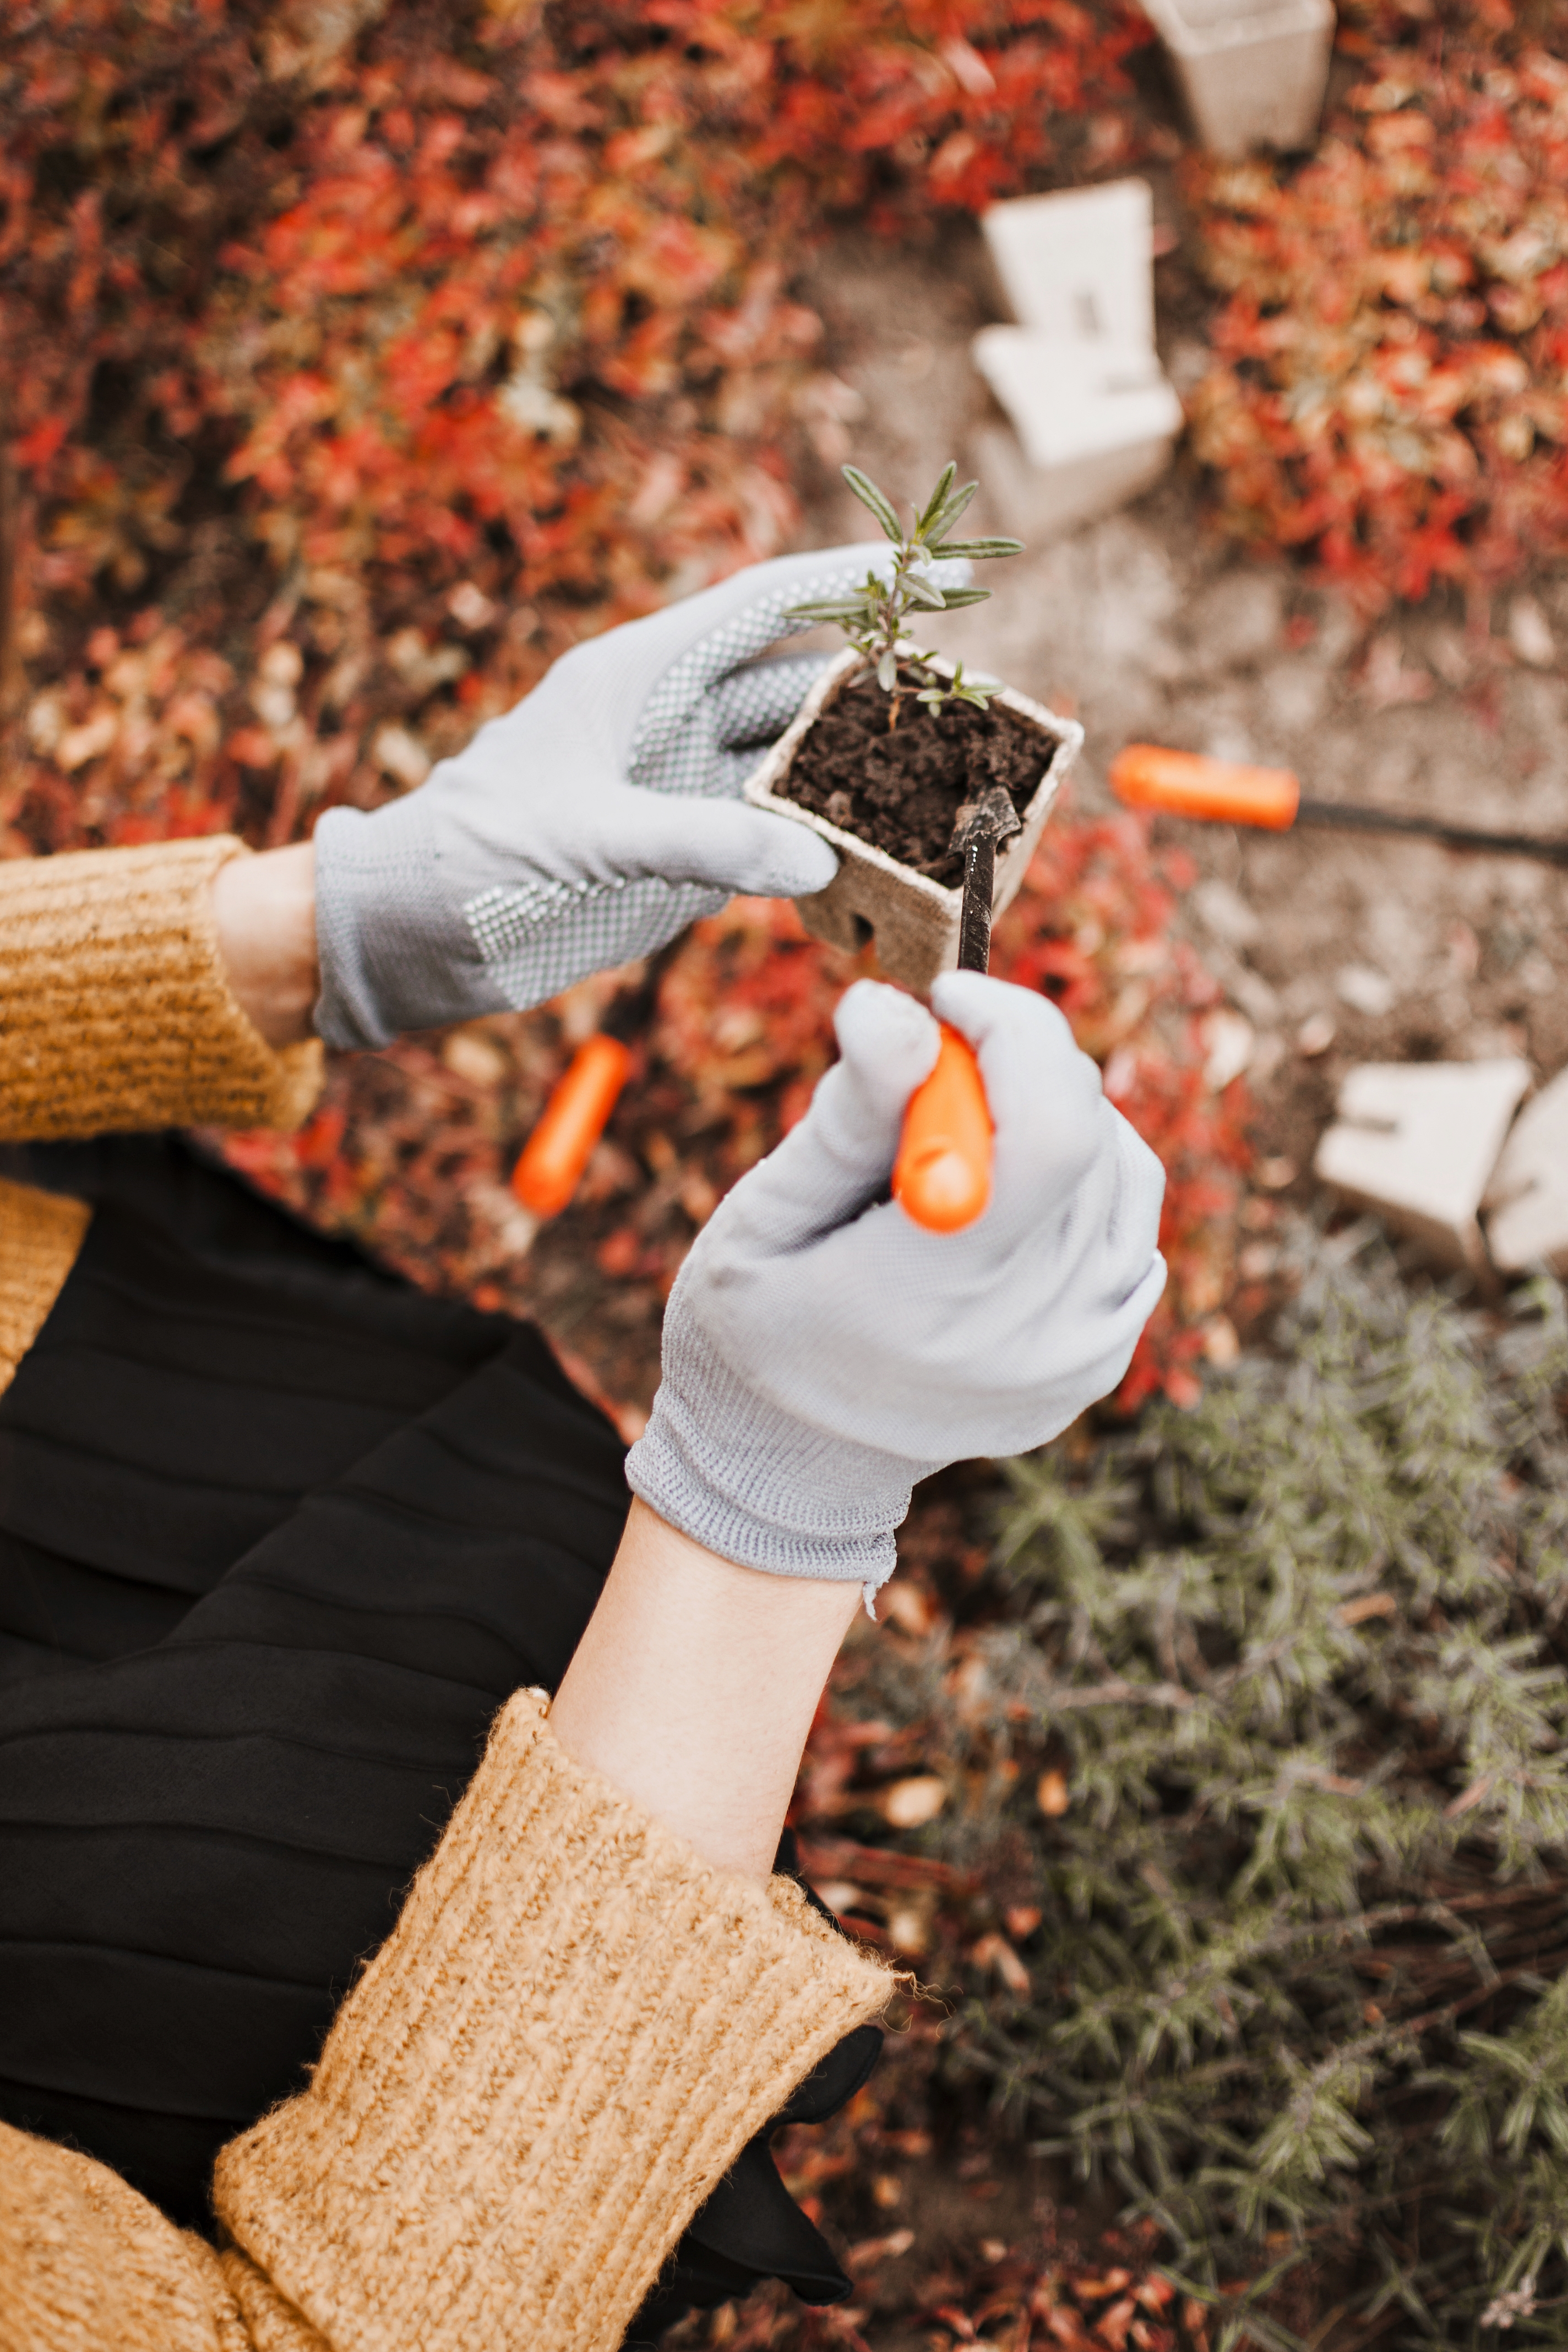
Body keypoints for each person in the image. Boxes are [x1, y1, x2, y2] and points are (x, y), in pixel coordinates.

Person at [0, 548, 1167, 2352]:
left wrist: (337, 924)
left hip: (81, 1364)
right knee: (401, 1822)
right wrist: (761, 1513)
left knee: (478, 1529)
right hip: (145, 1941)